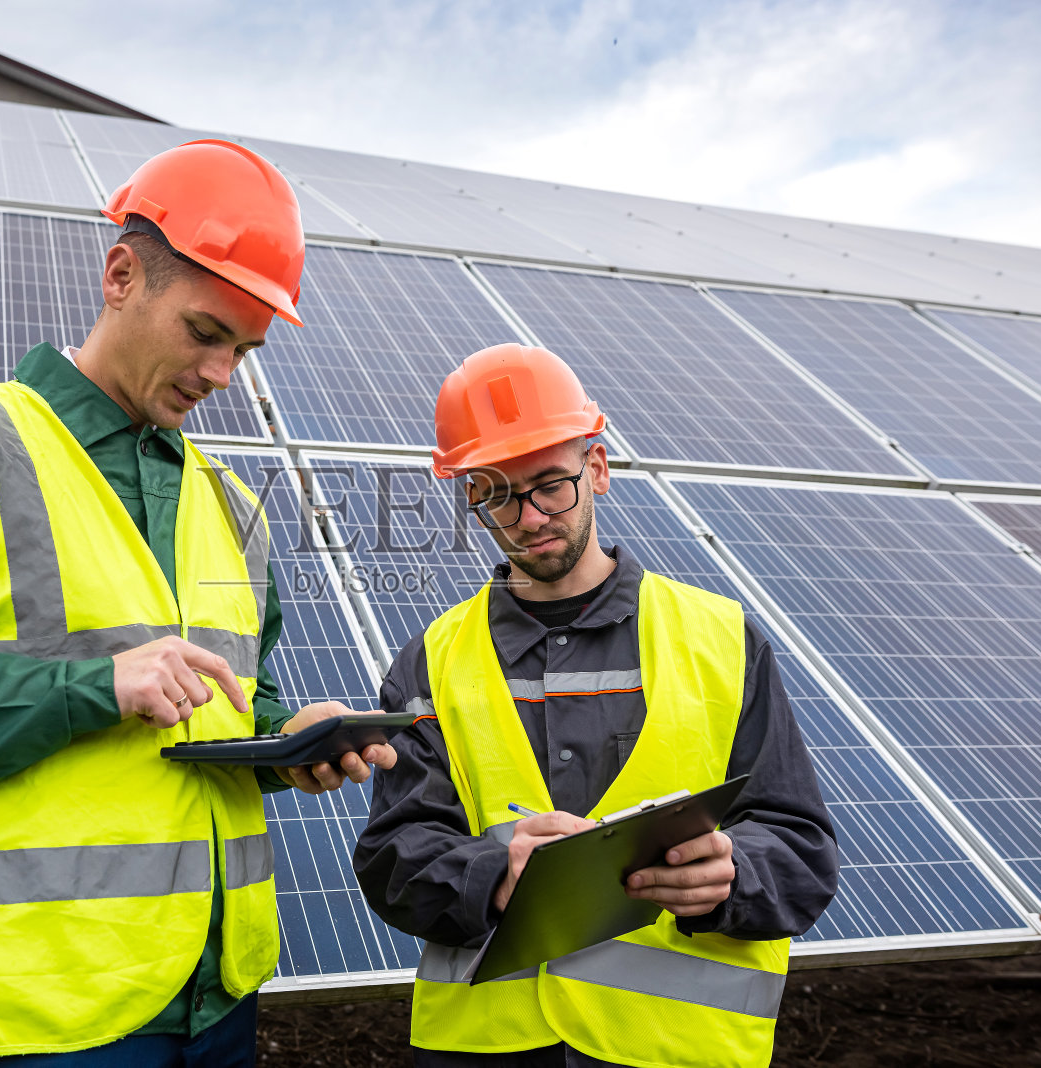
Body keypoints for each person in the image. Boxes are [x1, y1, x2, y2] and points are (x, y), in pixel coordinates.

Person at [0, 140, 395, 1066]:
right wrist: (86, 691)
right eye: (207, 333)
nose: (222, 376)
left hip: (221, 1002)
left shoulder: (231, 505)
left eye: (245, 353)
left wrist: (293, 741)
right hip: (42, 1020)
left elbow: (220, 708)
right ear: (122, 276)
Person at [353, 343, 837, 1067]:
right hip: (485, 1050)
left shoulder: (722, 640)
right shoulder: (433, 659)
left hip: (676, 1050)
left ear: (599, 469)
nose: (529, 516)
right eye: (495, 493)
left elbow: (802, 848)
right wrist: (491, 871)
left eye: (551, 483)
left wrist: (735, 871)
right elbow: (394, 858)